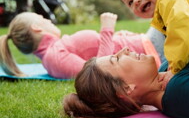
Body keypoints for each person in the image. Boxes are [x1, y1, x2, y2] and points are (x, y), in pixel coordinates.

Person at [0, 12, 165, 79]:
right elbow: (99, 73)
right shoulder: (54, 57)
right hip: (152, 52)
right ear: (37, 28)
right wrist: (107, 29)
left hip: (147, 44)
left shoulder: (55, 50)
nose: (49, 20)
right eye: (44, 19)